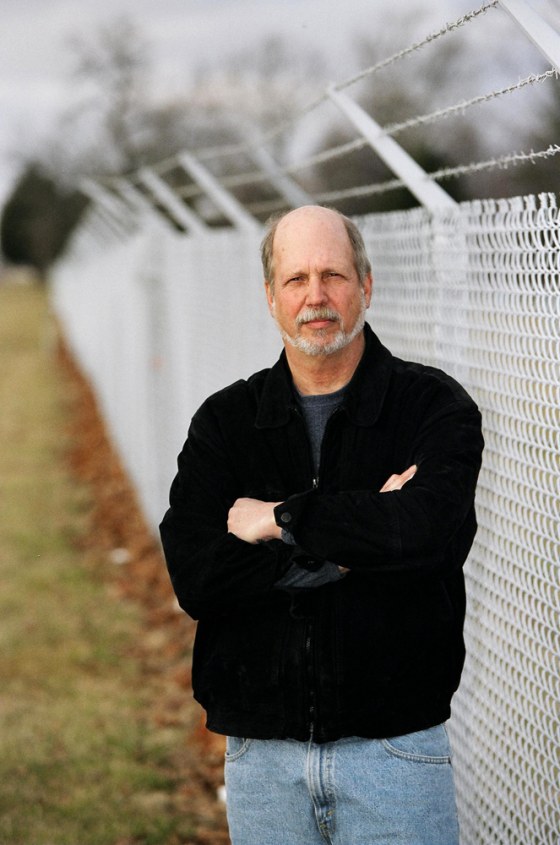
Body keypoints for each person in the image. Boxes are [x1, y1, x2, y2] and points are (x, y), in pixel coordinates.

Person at [160, 205, 484, 844]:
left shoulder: (432, 406)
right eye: (296, 278)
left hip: (395, 752)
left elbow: (428, 536)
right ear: (270, 297)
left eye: (334, 275)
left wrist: (280, 519)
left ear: (366, 284)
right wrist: (352, 542)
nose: (316, 296)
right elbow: (196, 577)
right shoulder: (226, 422)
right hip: (262, 758)